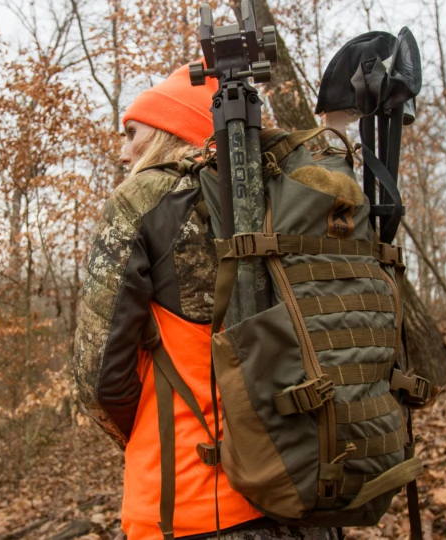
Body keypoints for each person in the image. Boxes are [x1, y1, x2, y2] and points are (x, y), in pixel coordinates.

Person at [72, 61, 336, 540]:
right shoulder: (294, 203)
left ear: (172, 132)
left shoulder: (146, 201)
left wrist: (151, 431)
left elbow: (99, 377)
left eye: (133, 132)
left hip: (196, 509)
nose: (122, 151)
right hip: (311, 493)